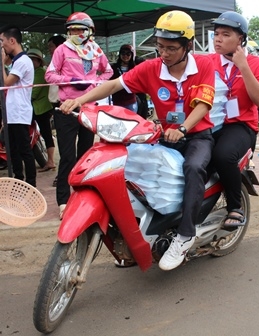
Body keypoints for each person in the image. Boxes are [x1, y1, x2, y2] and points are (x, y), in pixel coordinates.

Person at [59, 10, 216, 271]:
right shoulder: (151, 68)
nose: (163, 54)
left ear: (188, 46)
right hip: (163, 135)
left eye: (171, 48)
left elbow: (202, 106)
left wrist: (183, 128)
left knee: (193, 168)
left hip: (196, 135)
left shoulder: (203, 65)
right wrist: (80, 100)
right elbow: (112, 86)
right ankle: (140, 233)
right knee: (132, 165)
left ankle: (185, 235)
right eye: (159, 47)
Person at [45, 12, 113, 219]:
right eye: (72, 29)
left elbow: (108, 72)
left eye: (80, 29)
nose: (75, 33)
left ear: (89, 31)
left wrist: (94, 83)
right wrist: (70, 79)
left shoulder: (96, 51)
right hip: (67, 108)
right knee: (67, 156)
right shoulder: (62, 50)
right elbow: (49, 74)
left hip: (89, 108)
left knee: (85, 154)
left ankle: (82, 197)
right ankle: (63, 201)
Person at [209, 11, 259, 227]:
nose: (218, 39)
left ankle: (235, 207)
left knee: (223, 155)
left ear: (241, 39)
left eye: (226, 34)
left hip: (241, 126)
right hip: (209, 124)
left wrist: (242, 66)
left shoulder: (256, 64)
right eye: (216, 34)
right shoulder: (205, 62)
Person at [0, 24, 37, 187]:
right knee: (12, 150)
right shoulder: (16, 61)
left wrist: (1, 62)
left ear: (12, 40)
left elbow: (6, 82)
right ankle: (18, 180)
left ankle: (30, 183)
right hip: (13, 112)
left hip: (20, 113)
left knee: (24, 150)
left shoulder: (23, 61)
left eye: (2, 41)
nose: (2, 45)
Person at [27, 48, 56, 172]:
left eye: (34, 59)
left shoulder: (39, 73)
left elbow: (33, 93)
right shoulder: (34, 72)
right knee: (46, 133)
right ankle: (50, 161)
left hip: (41, 108)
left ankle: (50, 161)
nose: (32, 62)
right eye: (30, 59)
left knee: (46, 133)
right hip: (39, 108)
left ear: (39, 61)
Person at [47, 34, 66, 187]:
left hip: (66, 104)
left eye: (51, 47)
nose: (49, 51)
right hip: (57, 105)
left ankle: (63, 176)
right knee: (64, 144)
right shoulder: (55, 63)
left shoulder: (65, 62)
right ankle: (62, 175)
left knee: (67, 146)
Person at [110, 44, 139, 112]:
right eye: (123, 53)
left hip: (130, 101)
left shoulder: (135, 68)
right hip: (116, 101)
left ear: (131, 55)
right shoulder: (113, 68)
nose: (125, 56)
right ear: (120, 54)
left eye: (128, 54)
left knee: (132, 121)